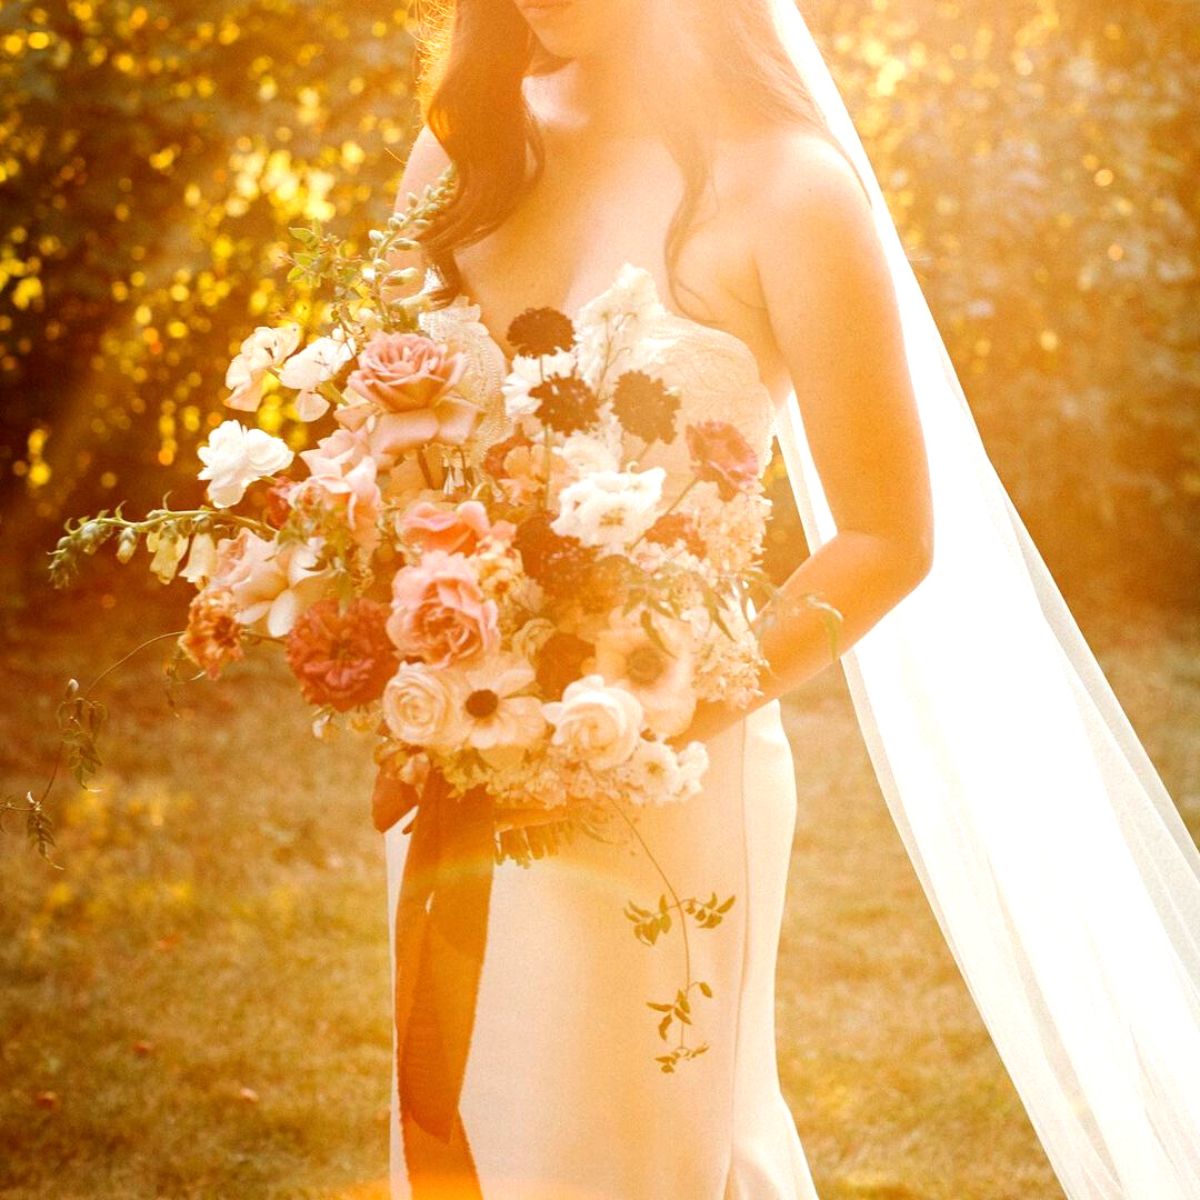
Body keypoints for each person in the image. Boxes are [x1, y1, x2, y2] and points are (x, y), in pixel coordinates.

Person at [382, 2, 1200, 1198]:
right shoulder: (466, 145)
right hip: (451, 741)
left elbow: (886, 537)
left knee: (642, 1144)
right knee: (467, 1114)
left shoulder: (790, 193)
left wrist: (651, 722)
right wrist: (410, 622)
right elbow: (391, 428)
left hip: (663, 777)